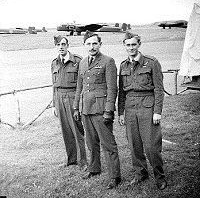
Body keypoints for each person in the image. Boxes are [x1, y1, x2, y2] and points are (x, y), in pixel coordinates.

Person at [118, 31, 167, 190]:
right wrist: (120, 113)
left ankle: (159, 176)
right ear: (124, 46)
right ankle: (140, 173)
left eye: (134, 44)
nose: (131, 47)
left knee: (152, 146)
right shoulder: (123, 65)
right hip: (130, 107)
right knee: (134, 144)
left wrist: (157, 111)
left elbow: (159, 89)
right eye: (128, 45)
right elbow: (121, 92)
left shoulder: (151, 62)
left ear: (139, 45)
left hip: (148, 105)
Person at [73, 31, 121, 189]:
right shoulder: (83, 62)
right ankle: (94, 169)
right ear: (84, 45)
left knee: (108, 144)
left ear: (100, 44)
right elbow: (79, 87)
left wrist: (109, 110)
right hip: (86, 109)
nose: (92, 46)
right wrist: (76, 107)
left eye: (95, 43)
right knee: (91, 142)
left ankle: (115, 176)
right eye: (88, 43)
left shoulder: (108, 61)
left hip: (101, 110)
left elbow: (112, 88)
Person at [51, 35, 87, 170]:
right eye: (58, 44)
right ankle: (71, 159)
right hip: (59, 97)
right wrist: (54, 104)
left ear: (67, 45)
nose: (61, 47)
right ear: (56, 46)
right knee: (66, 130)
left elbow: (82, 84)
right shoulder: (54, 62)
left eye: (63, 44)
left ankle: (83, 161)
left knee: (77, 129)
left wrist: (78, 104)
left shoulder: (78, 61)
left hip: (73, 96)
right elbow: (54, 85)